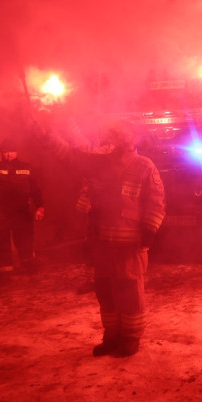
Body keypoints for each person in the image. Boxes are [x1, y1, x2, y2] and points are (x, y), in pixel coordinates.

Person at [42, 121, 165, 358]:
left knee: (129, 289)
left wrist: (150, 230)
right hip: (102, 243)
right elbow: (70, 156)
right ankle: (111, 336)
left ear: (133, 141)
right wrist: (47, 134)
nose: (117, 141)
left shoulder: (144, 167)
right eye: (115, 136)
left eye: (122, 137)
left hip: (130, 245)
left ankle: (130, 338)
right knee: (106, 290)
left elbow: (156, 201)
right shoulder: (100, 165)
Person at [0, 138, 44, 277]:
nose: (8, 155)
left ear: (17, 152)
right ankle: (5, 274)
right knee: (1, 241)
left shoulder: (27, 168)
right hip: (1, 213)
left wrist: (40, 207)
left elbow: (35, 190)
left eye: (11, 151)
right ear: (1, 153)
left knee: (25, 240)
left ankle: (30, 273)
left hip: (22, 212)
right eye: (5, 152)